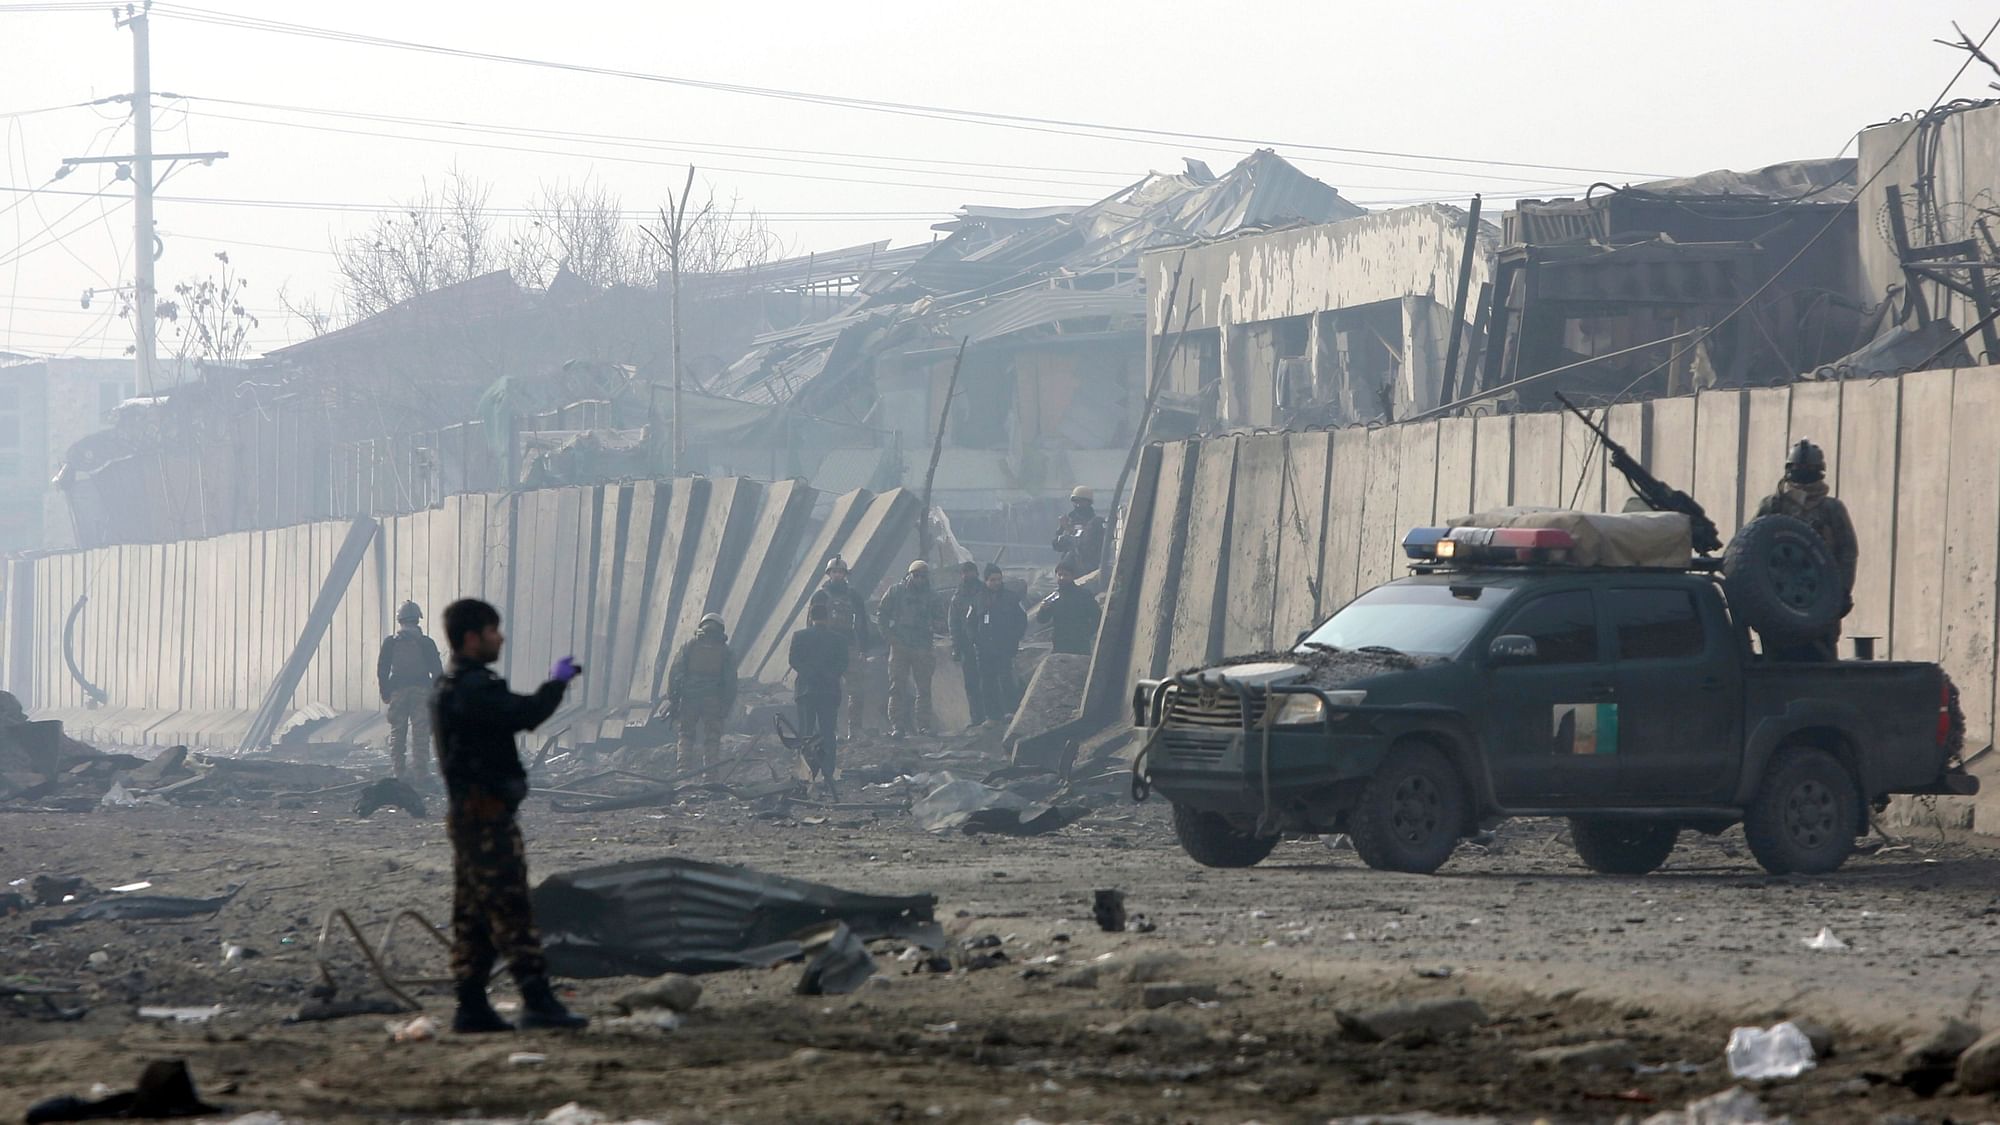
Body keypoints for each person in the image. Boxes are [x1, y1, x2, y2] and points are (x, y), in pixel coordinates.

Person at [430, 597, 587, 1034]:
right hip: (486, 817)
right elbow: (525, 714)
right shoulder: (473, 688)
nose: (500, 637)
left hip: (470, 815)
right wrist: (555, 685)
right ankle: (537, 1000)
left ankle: (471, 1005)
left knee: (474, 912)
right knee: (510, 906)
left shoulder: (454, 687)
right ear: (471, 638)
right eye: (493, 631)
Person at [1755, 439, 1859, 662]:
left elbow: (1847, 554)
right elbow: (1752, 546)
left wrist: (1840, 592)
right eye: (1798, 469)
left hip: (1819, 600)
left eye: (1808, 470)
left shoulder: (1831, 509)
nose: (1802, 474)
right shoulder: (1773, 506)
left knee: (1819, 666)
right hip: (1778, 599)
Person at [876, 559, 947, 738]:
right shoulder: (896, 591)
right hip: (900, 645)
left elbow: (941, 620)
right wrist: (891, 638)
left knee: (923, 688)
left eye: (923, 576)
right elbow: (881, 615)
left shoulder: (932, 596)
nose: (920, 579)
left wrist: (933, 625)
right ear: (909, 575)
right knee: (897, 687)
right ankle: (897, 726)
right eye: (916, 576)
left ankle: (923, 725)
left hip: (922, 646)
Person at [376, 601, 443, 781]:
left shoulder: (390, 643)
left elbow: (382, 669)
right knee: (420, 733)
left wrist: (385, 692)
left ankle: (398, 772)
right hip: (421, 692)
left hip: (398, 692)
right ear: (417, 620)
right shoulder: (426, 643)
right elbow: (437, 671)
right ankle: (421, 773)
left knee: (398, 732)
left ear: (400, 620)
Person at [788, 595, 850, 789]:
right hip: (829, 691)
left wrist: (810, 674)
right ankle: (828, 773)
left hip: (806, 690)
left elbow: (794, 661)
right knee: (828, 733)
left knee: (806, 733)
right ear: (828, 618)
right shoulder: (838, 639)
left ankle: (807, 774)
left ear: (811, 617)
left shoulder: (800, 636)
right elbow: (843, 664)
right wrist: (829, 675)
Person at [667, 613, 737, 773]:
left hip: (689, 699)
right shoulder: (725, 652)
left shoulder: (690, 646)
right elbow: (731, 682)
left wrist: (673, 698)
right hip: (713, 700)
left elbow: (675, 672)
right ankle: (710, 773)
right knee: (712, 737)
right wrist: (726, 705)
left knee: (686, 734)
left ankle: (683, 770)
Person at [817, 557, 876, 740]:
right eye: (834, 572)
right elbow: (812, 624)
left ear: (845, 574)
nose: (837, 575)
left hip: (849, 646)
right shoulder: (820, 597)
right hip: (827, 648)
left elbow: (862, 622)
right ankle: (831, 730)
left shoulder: (854, 596)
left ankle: (855, 729)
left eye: (840, 572)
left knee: (856, 690)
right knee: (828, 691)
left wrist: (863, 648)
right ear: (829, 574)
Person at [968, 564, 1028, 723]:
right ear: (986, 581)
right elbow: (970, 623)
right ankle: (991, 715)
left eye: (999, 579)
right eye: (992, 580)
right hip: (984, 649)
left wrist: (1014, 638)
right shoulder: (977, 599)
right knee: (987, 682)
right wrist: (976, 641)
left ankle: (1010, 711)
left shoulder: (1012, 598)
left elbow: (1022, 620)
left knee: (1006, 680)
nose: (996, 583)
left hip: (1005, 648)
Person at [948, 561, 988, 730]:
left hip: (986, 644)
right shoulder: (957, 597)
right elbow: (954, 624)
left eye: (970, 572)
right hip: (967, 645)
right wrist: (956, 647)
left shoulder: (985, 592)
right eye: (964, 573)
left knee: (988, 681)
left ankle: (991, 715)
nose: (967, 575)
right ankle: (976, 717)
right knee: (971, 683)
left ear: (976, 573)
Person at [1036, 559, 1103, 656]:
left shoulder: (1083, 595)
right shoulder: (1054, 597)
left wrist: (1087, 633)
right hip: (1060, 644)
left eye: (1065, 575)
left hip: (1080, 644)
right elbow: (1042, 620)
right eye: (1060, 575)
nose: (1062, 578)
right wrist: (1043, 609)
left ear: (1072, 576)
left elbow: (1097, 616)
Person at [1052, 485, 1108, 574]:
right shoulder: (1069, 519)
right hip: (1068, 567)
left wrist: (1070, 530)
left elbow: (1090, 547)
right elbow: (1056, 545)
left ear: (1088, 502)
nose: (1078, 504)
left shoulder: (1096, 522)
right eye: (1075, 501)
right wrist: (1062, 532)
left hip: (1087, 566)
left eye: (1081, 501)